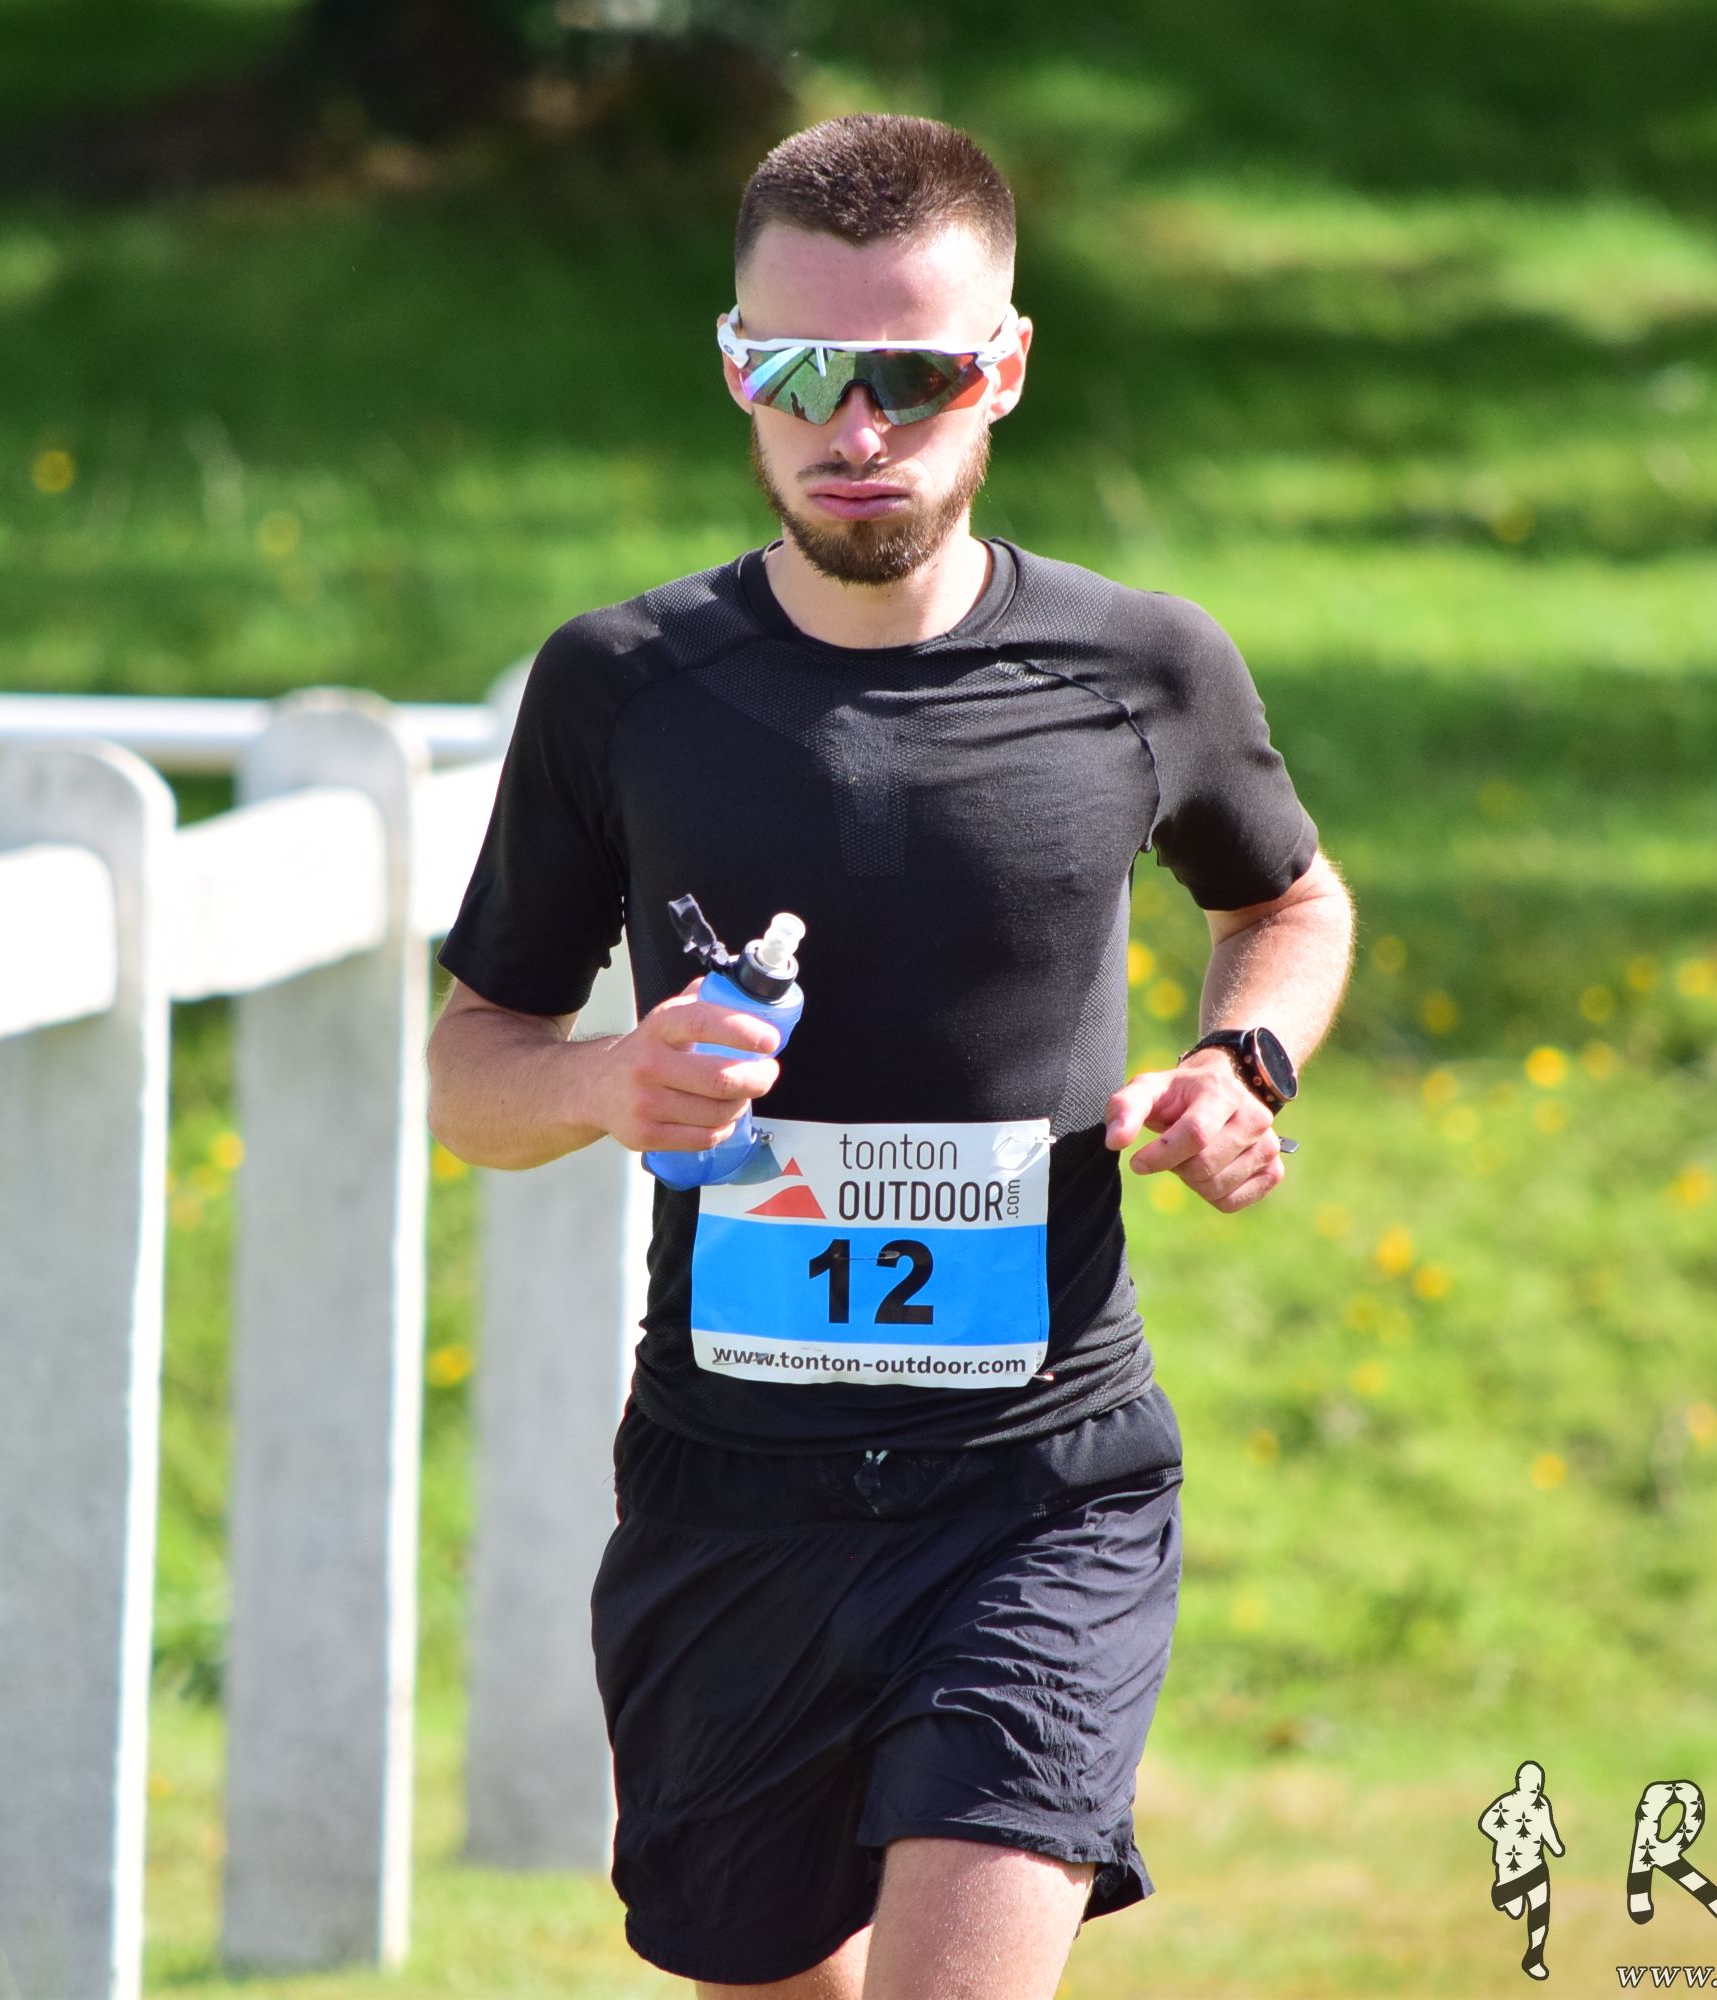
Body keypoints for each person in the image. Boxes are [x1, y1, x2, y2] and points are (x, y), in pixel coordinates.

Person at [429, 112, 1356, 2000]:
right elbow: (473, 1069)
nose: (855, 429)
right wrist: (604, 1083)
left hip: (1038, 1484)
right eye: (800, 374)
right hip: (729, 1489)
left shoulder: (1143, 667)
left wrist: (1239, 1065)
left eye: (913, 375)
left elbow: (1289, 900)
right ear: (733, 372)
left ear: (1002, 369)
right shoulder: (622, 688)